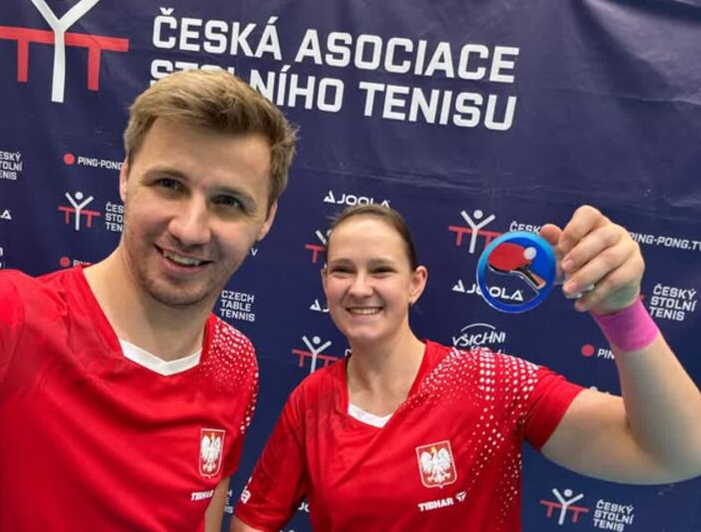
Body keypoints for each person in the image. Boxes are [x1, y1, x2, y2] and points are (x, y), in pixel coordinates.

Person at [0, 69, 296, 531]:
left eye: (229, 202)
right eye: (169, 184)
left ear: (267, 218)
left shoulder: (236, 363)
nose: (190, 229)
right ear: (126, 177)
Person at [232, 204, 701, 532]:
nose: (359, 288)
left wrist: (621, 312)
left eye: (381, 270)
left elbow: (678, 453)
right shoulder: (311, 401)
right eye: (342, 270)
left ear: (415, 283)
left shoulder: (492, 382)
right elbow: (253, 522)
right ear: (325, 282)